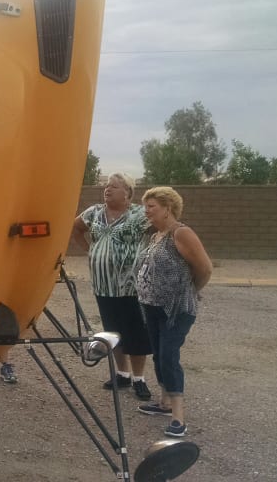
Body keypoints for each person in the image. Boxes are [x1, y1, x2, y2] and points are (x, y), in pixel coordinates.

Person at [135, 186, 212, 438]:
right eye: (145, 206)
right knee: (159, 355)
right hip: (152, 306)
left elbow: (205, 268)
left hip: (176, 309)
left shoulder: (181, 233)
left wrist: (190, 290)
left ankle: (178, 417)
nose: (146, 211)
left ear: (167, 208)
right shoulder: (156, 235)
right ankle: (164, 403)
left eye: (151, 206)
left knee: (168, 356)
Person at [71, 173, 153, 401]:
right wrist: (90, 250)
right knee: (113, 330)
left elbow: (162, 230)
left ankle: (139, 379)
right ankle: (122, 374)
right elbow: (75, 228)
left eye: (114, 186)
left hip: (131, 287)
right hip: (103, 285)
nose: (107, 189)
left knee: (136, 332)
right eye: (106, 186)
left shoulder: (139, 214)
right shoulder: (94, 212)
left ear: (127, 193)